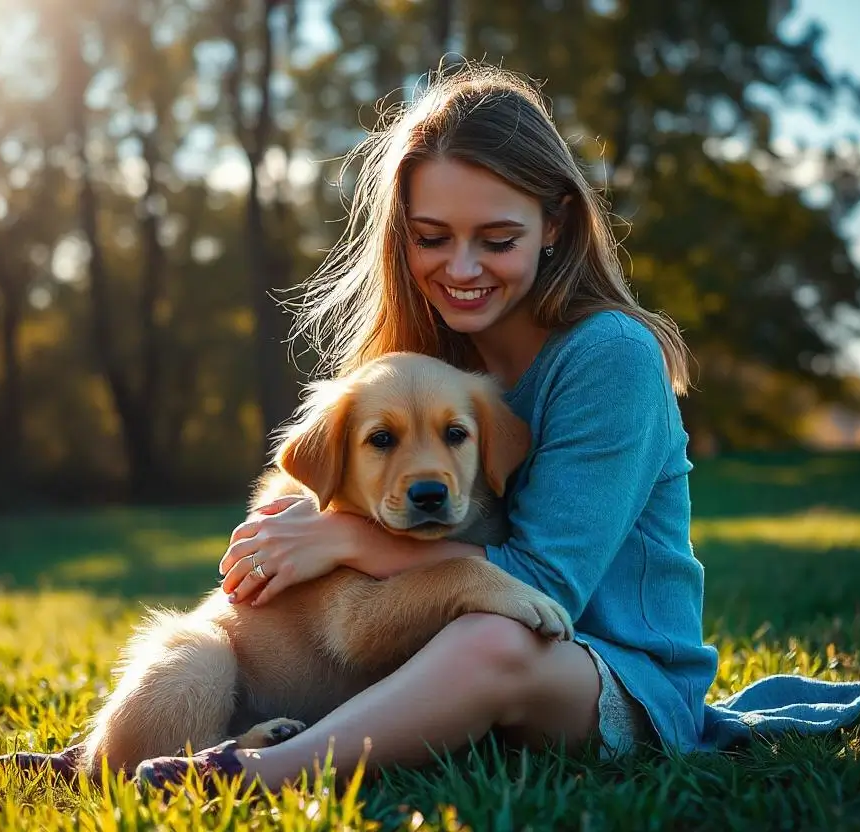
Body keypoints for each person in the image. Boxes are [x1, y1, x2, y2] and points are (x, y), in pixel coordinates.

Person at [137, 61, 717, 792]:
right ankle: (128, 752)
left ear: (556, 223)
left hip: (614, 679)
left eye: (497, 238)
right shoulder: (432, 366)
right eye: (432, 237)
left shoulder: (611, 358)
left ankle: (259, 773)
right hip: (444, 665)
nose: (462, 267)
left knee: (492, 634)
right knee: (453, 634)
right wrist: (292, 529)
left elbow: (543, 591)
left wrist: (346, 538)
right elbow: (302, 499)